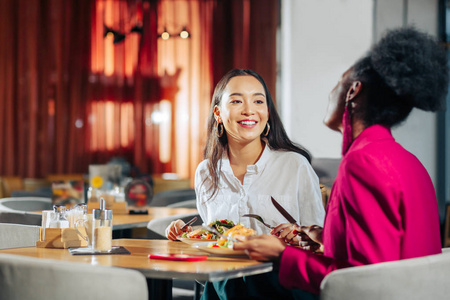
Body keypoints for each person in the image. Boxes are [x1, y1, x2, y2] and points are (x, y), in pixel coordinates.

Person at [234, 27, 448, 295]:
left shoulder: (362, 163)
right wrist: (323, 236)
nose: (332, 90)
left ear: (353, 92)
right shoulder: (410, 162)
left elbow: (362, 281)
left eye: (339, 81)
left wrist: (281, 255)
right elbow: (390, 253)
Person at [166, 68, 325, 299]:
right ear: (218, 113)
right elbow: (213, 244)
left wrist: (297, 237)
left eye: (258, 101)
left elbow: (320, 247)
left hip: (282, 287)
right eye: (237, 100)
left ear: (267, 112)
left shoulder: (295, 165)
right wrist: (189, 235)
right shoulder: (205, 172)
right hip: (222, 287)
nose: (249, 110)